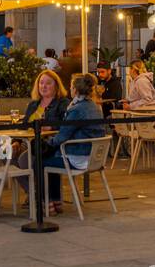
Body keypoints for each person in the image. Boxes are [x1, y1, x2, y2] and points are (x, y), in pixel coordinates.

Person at [37, 74, 107, 215]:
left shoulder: (76, 110)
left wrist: (45, 142)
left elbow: (61, 137)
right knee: (50, 158)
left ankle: (48, 202)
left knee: (41, 161)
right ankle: (56, 201)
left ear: (75, 89)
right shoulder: (95, 107)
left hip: (78, 158)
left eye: (71, 86)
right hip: (95, 158)